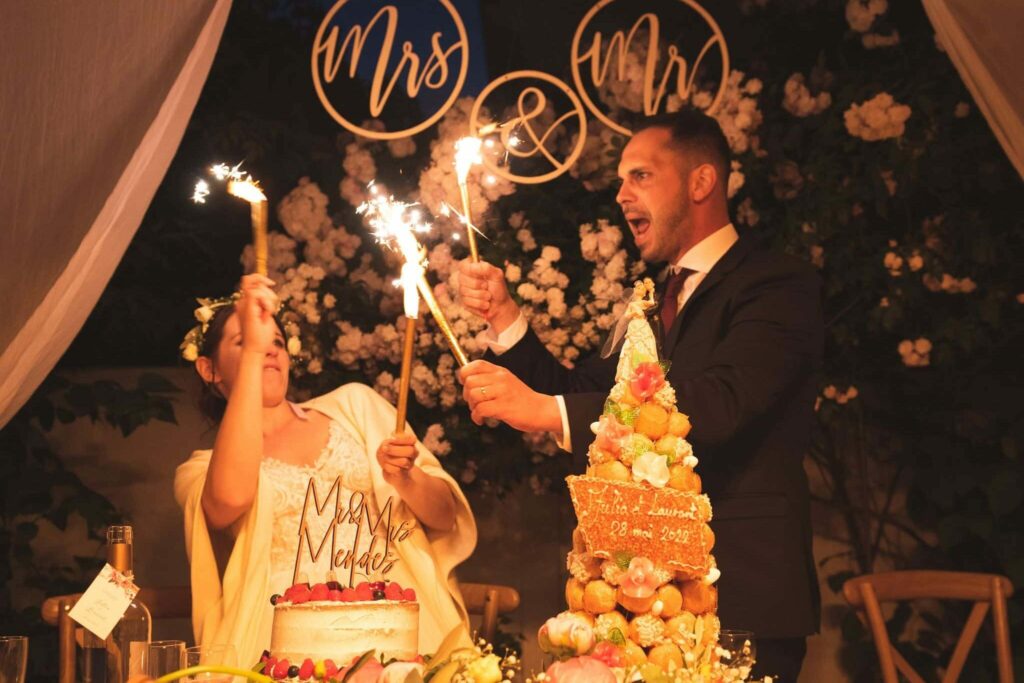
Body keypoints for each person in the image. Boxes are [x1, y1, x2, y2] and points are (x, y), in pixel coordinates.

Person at [457, 108, 823, 680]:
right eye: (621, 179)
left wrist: (547, 411)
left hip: (741, 603)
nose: (622, 194)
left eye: (641, 176)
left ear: (701, 181)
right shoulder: (649, 301)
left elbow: (722, 403)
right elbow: (586, 396)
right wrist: (505, 321)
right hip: (637, 607)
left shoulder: (776, 285)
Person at [174, 274, 477, 666]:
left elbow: (444, 515)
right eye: (247, 340)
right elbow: (230, 498)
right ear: (207, 368)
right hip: (282, 647)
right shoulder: (198, 470)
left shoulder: (357, 407)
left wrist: (406, 478)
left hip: (400, 628)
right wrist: (253, 354)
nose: (268, 350)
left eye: (276, 342)